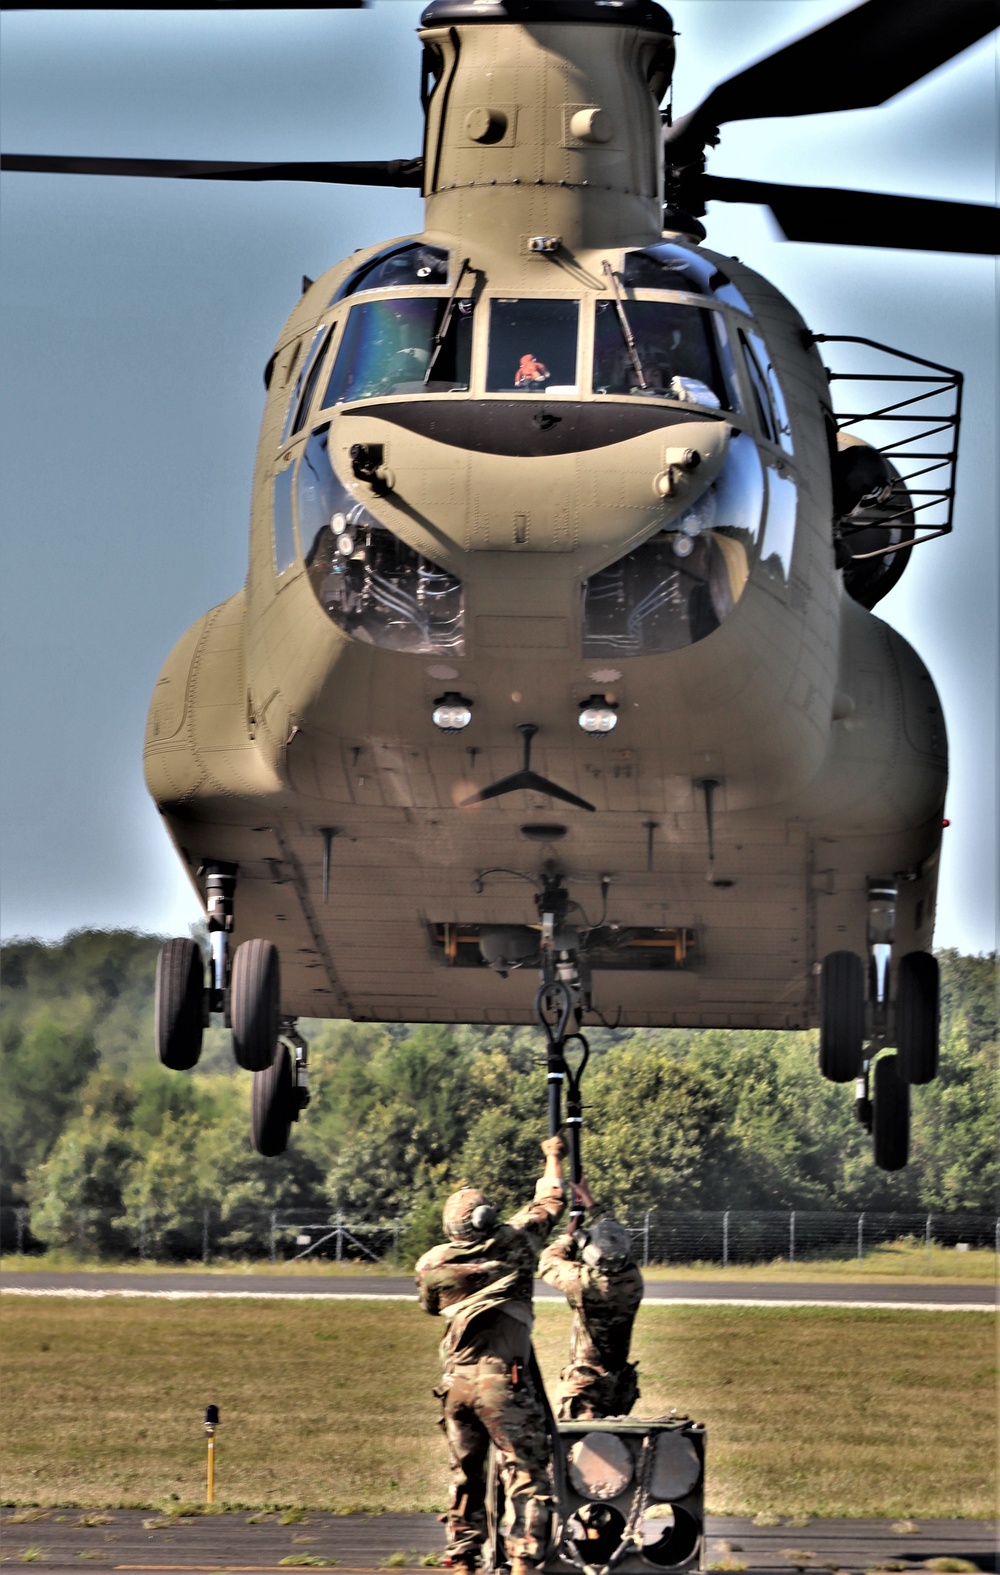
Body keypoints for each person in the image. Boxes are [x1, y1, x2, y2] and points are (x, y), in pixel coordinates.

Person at [415, 1137, 569, 1575]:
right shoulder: (517, 1245)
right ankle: (523, 1562)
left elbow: (430, 1306)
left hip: (456, 1385)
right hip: (503, 1383)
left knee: (466, 1476)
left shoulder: (433, 1266)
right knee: (528, 1477)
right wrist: (553, 1155)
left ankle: (462, 1560)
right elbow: (550, 1199)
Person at [537, 1213, 644, 1421]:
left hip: (587, 1384)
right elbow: (614, 1238)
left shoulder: (584, 1283)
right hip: (619, 1383)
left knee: (585, 1446)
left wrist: (569, 1236)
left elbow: (548, 1263)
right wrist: (587, 1198)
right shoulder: (632, 1279)